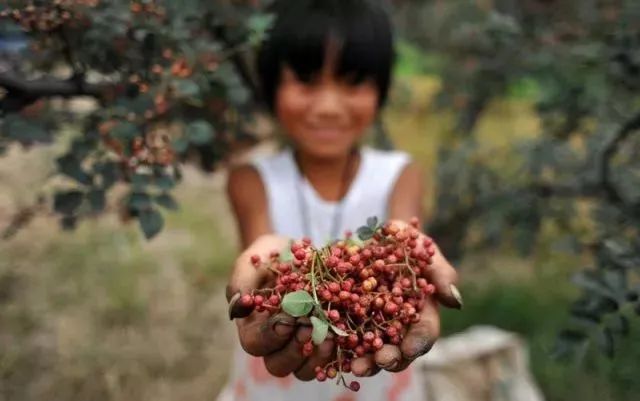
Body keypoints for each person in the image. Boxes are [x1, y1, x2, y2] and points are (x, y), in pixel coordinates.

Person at [218, 1, 462, 400]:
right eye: (307, 81)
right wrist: (274, 268)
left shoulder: (400, 173)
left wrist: (404, 252)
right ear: (270, 85)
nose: (329, 107)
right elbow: (264, 262)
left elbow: (403, 243)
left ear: (380, 91)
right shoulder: (251, 179)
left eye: (352, 83)